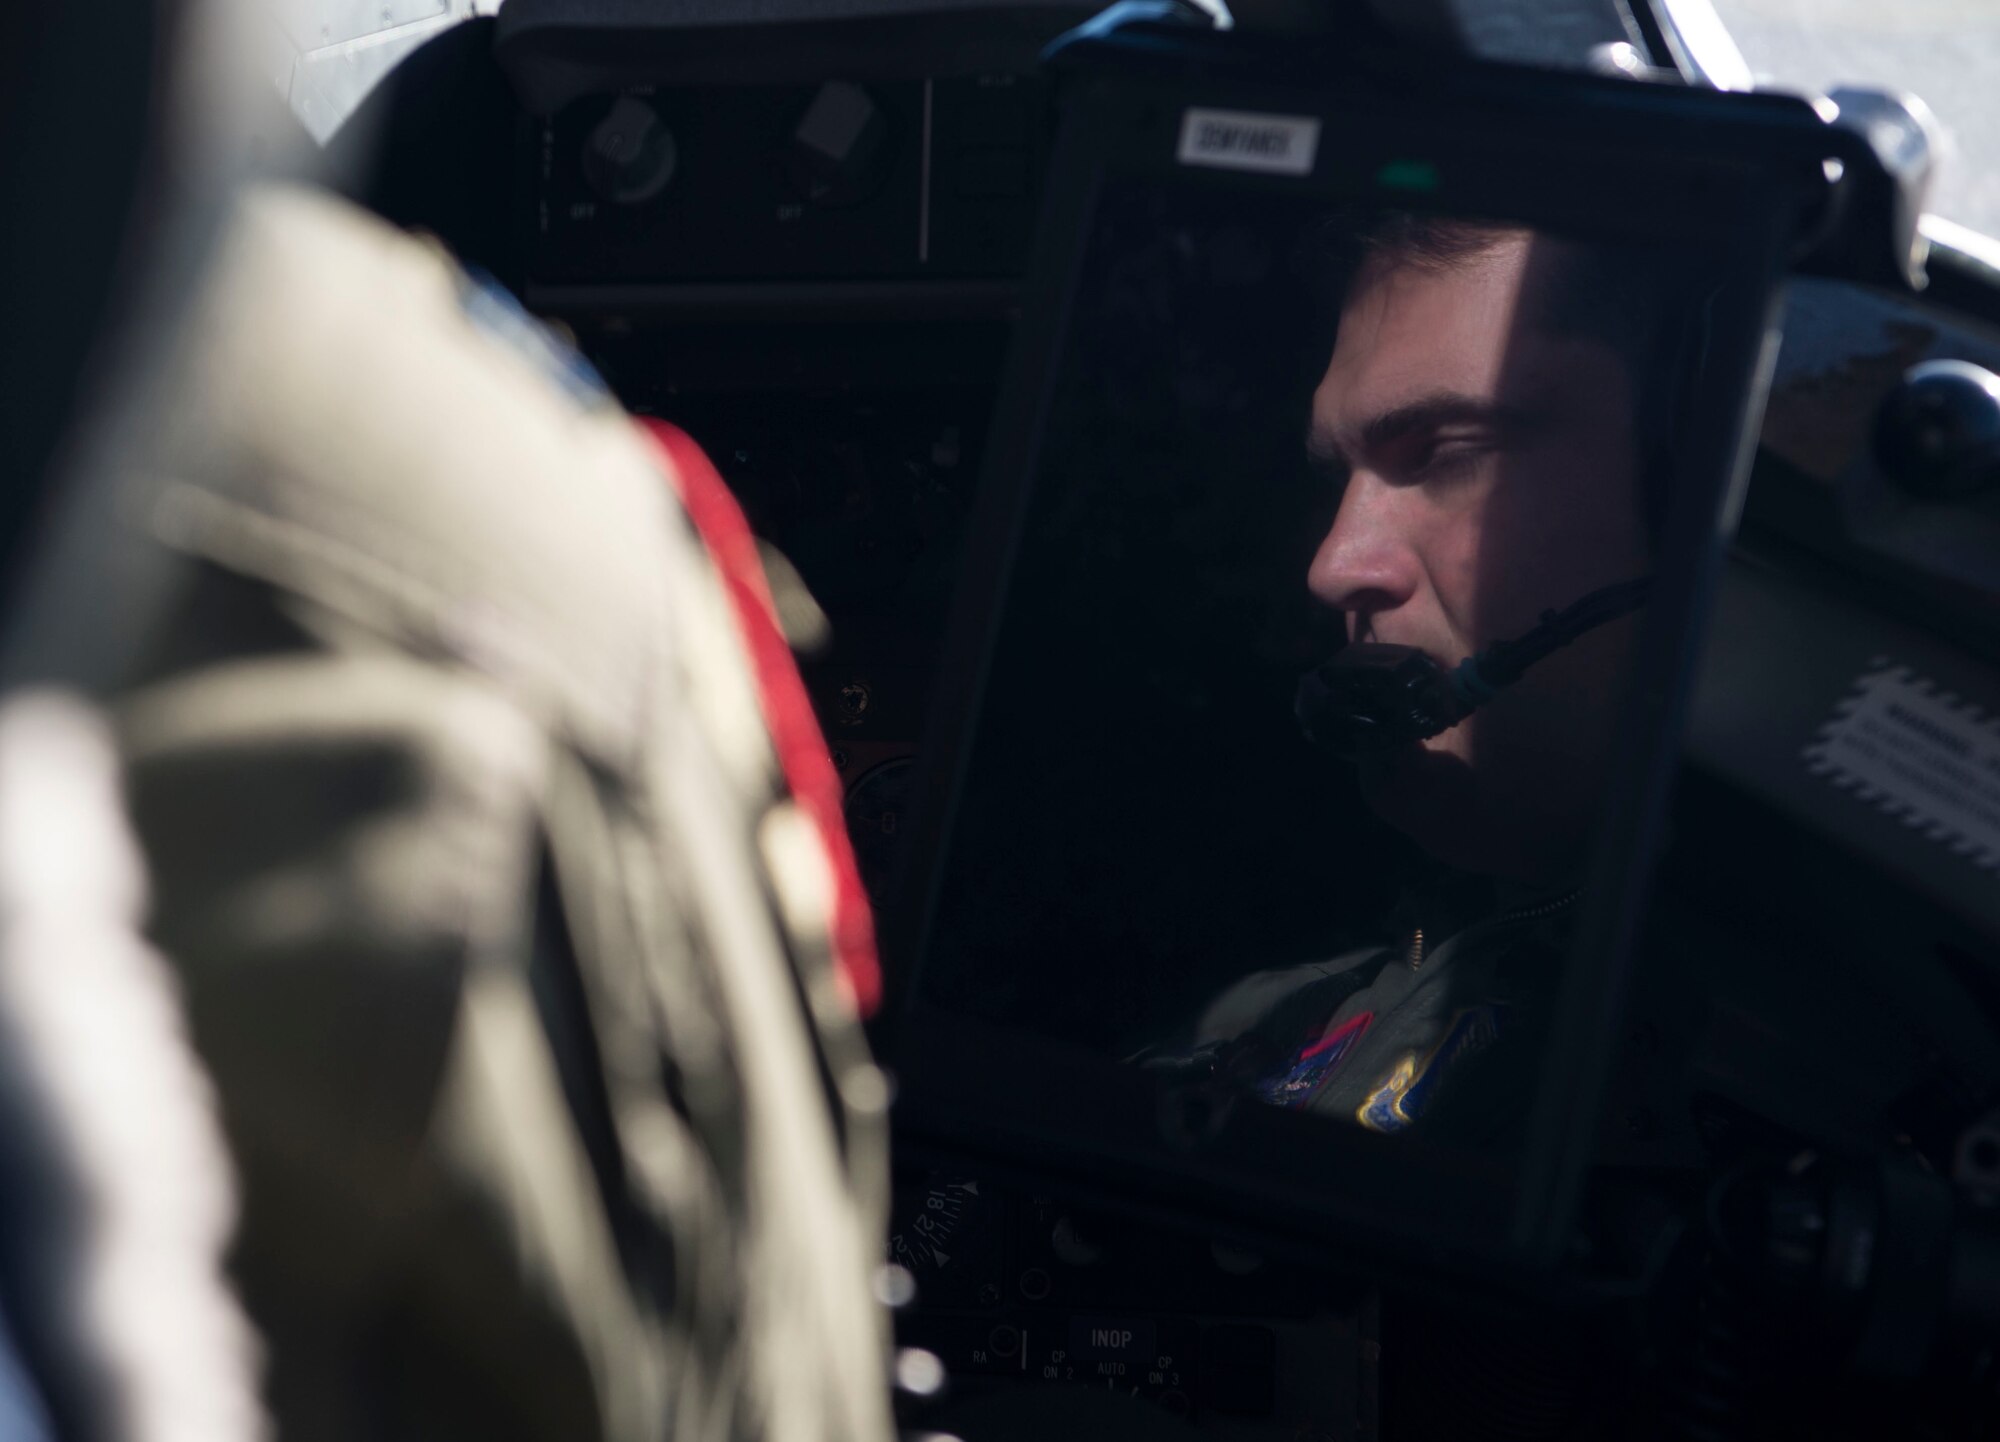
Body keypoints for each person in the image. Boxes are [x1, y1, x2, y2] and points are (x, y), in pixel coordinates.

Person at [1163, 214, 1694, 1136]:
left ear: (1692, 481)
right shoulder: (1255, 1026)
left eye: (1445, 453)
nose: (1335, 564)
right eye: (1344, 479)